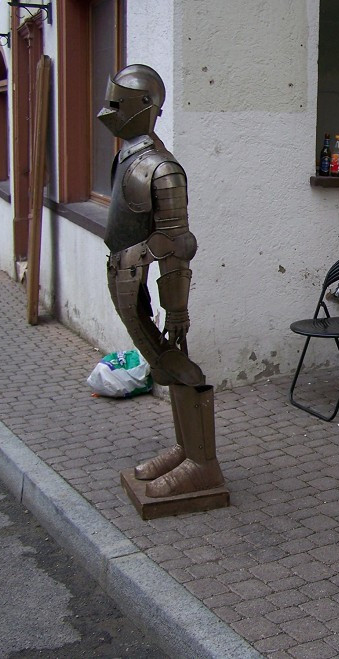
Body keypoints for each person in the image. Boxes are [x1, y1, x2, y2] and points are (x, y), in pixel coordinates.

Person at [97, 64, 225, 499]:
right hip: (125, 270)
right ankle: (187, 448)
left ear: (144, 107)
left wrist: (176, 306)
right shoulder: (128, 155)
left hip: (143, 271)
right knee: (163, 363)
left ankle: (203, 464)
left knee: (179, 362)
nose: (109, 110)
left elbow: (175, 243)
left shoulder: (161, 167)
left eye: (119, 102)